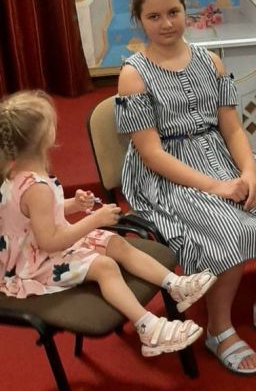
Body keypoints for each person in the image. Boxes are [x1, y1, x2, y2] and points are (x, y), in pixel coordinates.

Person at [116, 0, 256, 375]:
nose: (166, 23)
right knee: (228, 229)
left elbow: (233, 129)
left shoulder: (211, 61)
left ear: (184, 10)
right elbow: (151, 154)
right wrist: (215, 186)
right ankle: (218, 329)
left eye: (173, 12)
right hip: (169, 173)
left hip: (219, 156)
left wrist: (249, 172)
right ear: (139, 20)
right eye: (154, 17)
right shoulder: (133, 74)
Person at [0, 90, 214, 357]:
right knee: (105, 267)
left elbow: (37, 215)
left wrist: (74, 205)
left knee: (115, 243)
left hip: (40, 245)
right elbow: (50, 241)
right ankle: (148, 328)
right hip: (34, 264)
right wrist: (93, 220)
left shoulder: (19, 173)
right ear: (44, 138)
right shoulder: (36, 188)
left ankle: (175, 285)